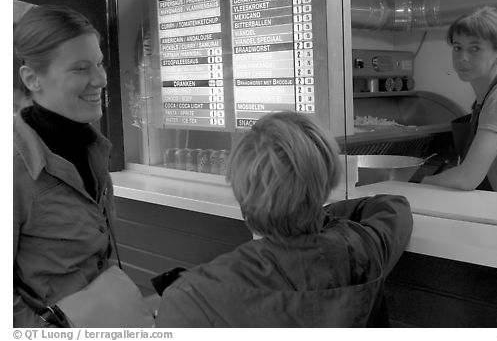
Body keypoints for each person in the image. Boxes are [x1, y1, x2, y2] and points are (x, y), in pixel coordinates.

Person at [154, 111, 413, 327]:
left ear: (240, 188)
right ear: (326, 184)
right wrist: (316, 211)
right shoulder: (363, 249)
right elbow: (393, 206)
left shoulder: (191, 297)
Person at [13, 5, 115, 327]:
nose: (100, 79)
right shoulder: (14, 166)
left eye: (99, 63)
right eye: (80, 69)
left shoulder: (91, 145)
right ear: (32, 78)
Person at [421, 6, 497, 195]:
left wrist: (421, 182)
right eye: (457, 48)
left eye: (475, 48)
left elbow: (467, 178)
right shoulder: (489, 94)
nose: (463, 58)